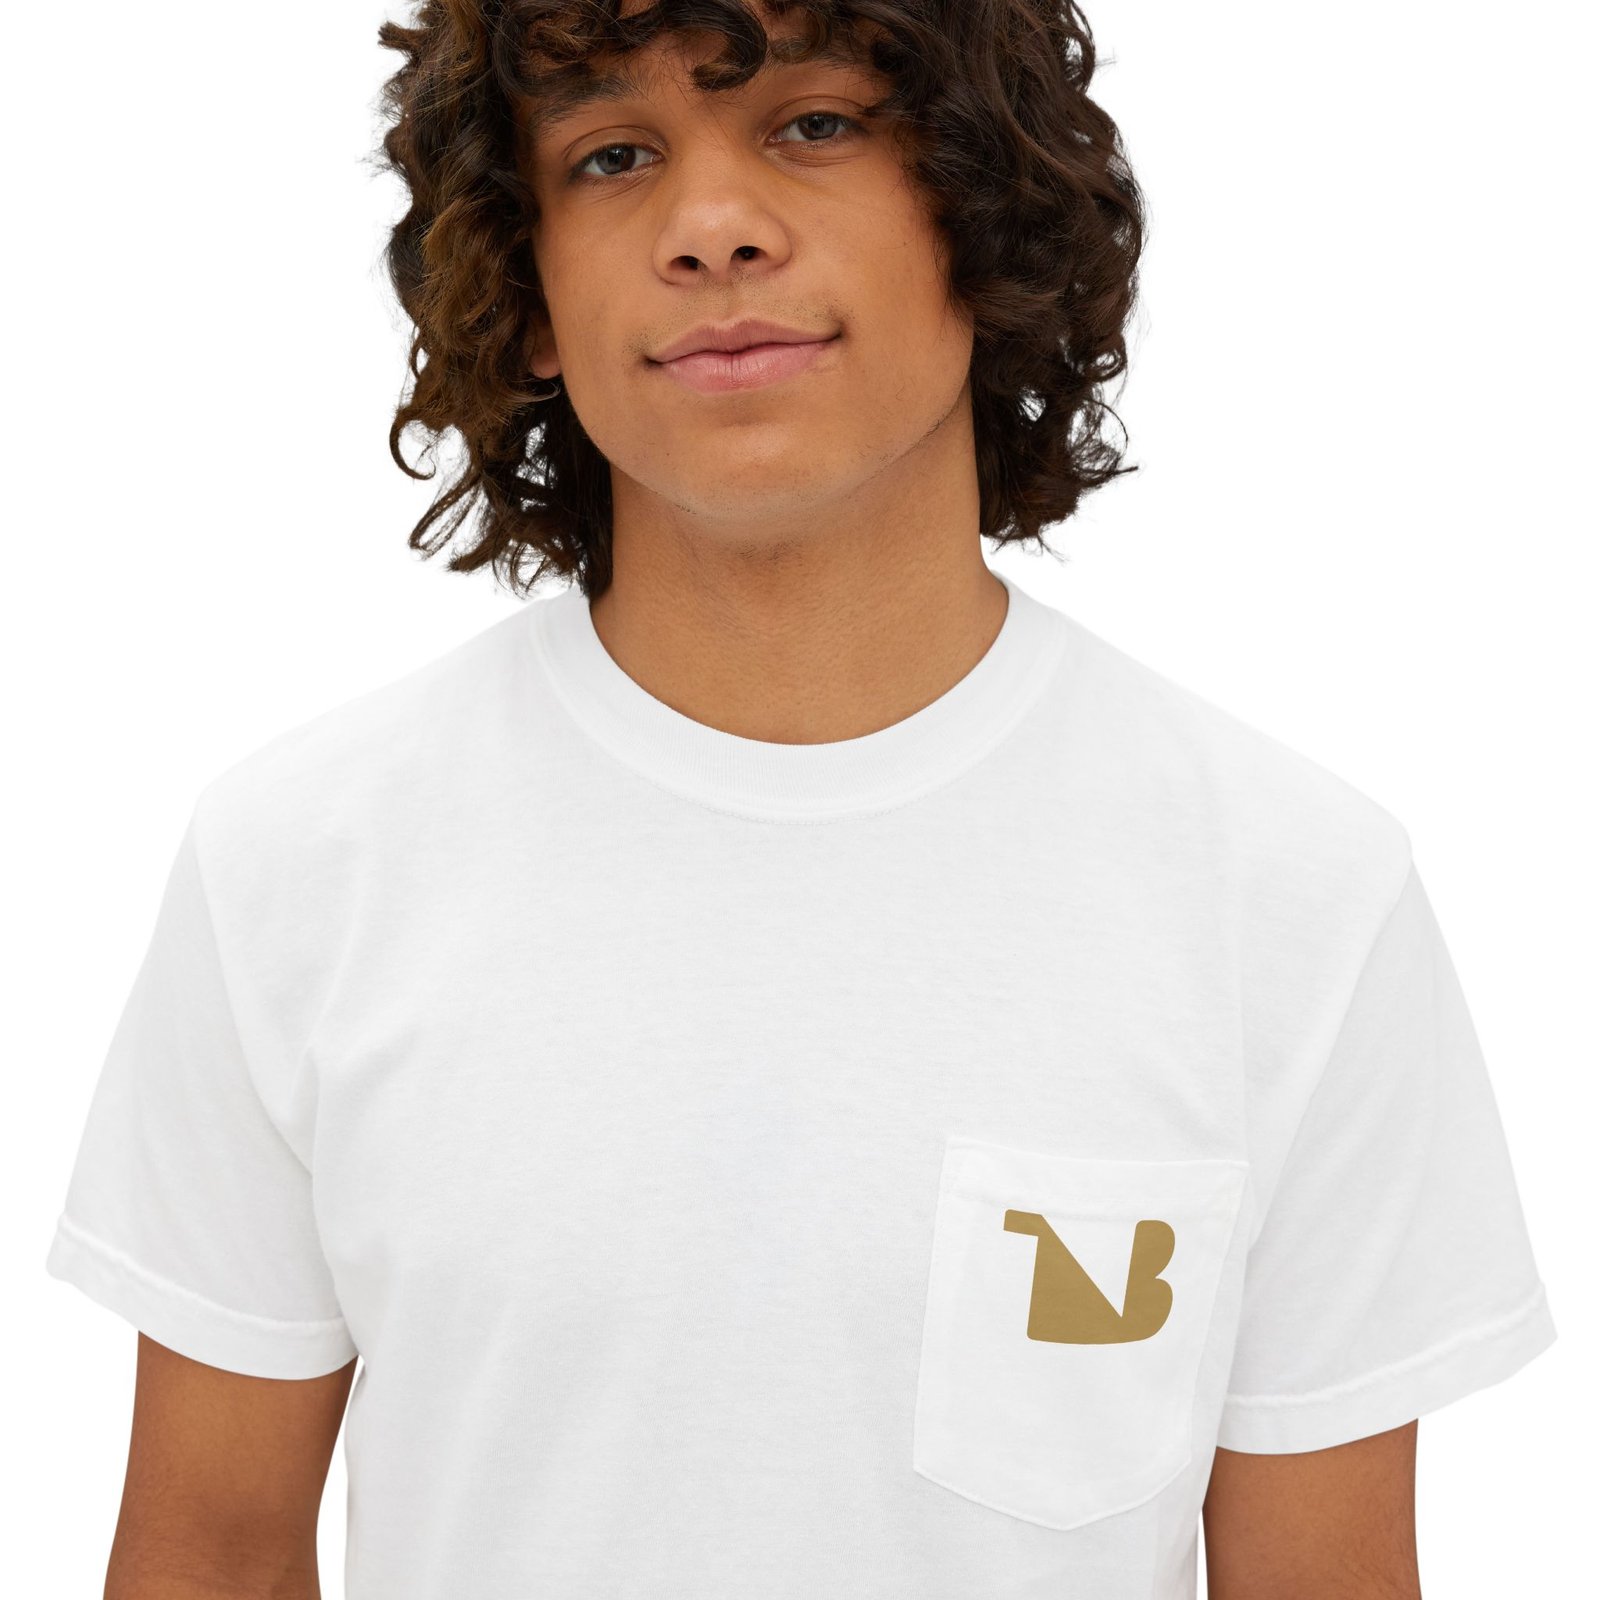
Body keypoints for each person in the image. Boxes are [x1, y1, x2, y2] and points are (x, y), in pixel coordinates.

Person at [45, 2, 1556, 1596]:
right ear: (529, 287)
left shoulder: (1293, 894)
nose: (711, 226)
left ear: (981, 214)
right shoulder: (300, 865)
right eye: (612, 155)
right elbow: (210, 1557)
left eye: (815, 124)